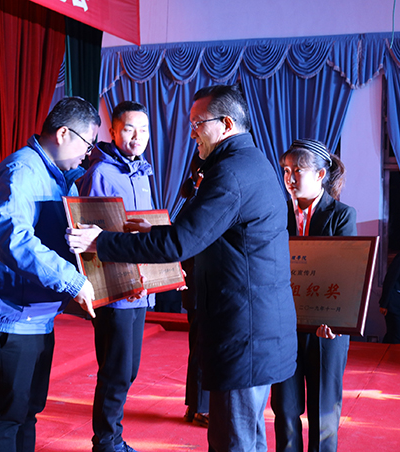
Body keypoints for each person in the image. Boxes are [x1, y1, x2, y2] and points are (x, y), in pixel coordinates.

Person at [67, 84, 298, 452]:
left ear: (225, 124)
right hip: (259, 327)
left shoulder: (230, 173)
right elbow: (204, 233)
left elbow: (180, 244)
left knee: (233, 440)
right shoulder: (252, 162)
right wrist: (156, 231)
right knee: (248, 436)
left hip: (245, 330)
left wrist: (102, 242)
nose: (192, 134)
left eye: (197, 124)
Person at [0, 97, 99, 452]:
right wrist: (73, 281)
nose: (87, 155)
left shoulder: (63, 179)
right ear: (63, 134)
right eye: (87, 144)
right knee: (7, 417)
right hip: (13, 318)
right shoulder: (23, 170)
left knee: (29, 412)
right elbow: (14, 241)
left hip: (40, 316)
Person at [270, 138, 357, 452]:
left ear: (320, 174)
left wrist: (335, 318)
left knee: (324, 412)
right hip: (284, 327)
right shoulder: (276, 214)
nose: (290, 178)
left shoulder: (341, 215)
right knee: (285, 408)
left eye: (298, 170)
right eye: (286, 170)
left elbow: (344, 273)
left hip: (325, 329)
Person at [79, 101, 155, 452]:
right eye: (128, 129)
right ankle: (107, 442)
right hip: (115, 289)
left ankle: (112, 438)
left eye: (143, 129)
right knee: (116, 369)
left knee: (129, 369)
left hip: (141, 286)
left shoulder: (142, 172)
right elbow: (92, 235)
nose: (137, 136)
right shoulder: (101, 173)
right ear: (112, 132)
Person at [177, 152, 209, 428]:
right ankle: (200, 407)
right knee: (202, 348)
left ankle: (195, 406)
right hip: (200, 287)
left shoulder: (195, 201)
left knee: (200, 347)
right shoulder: (196, 203)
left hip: (201, 287)